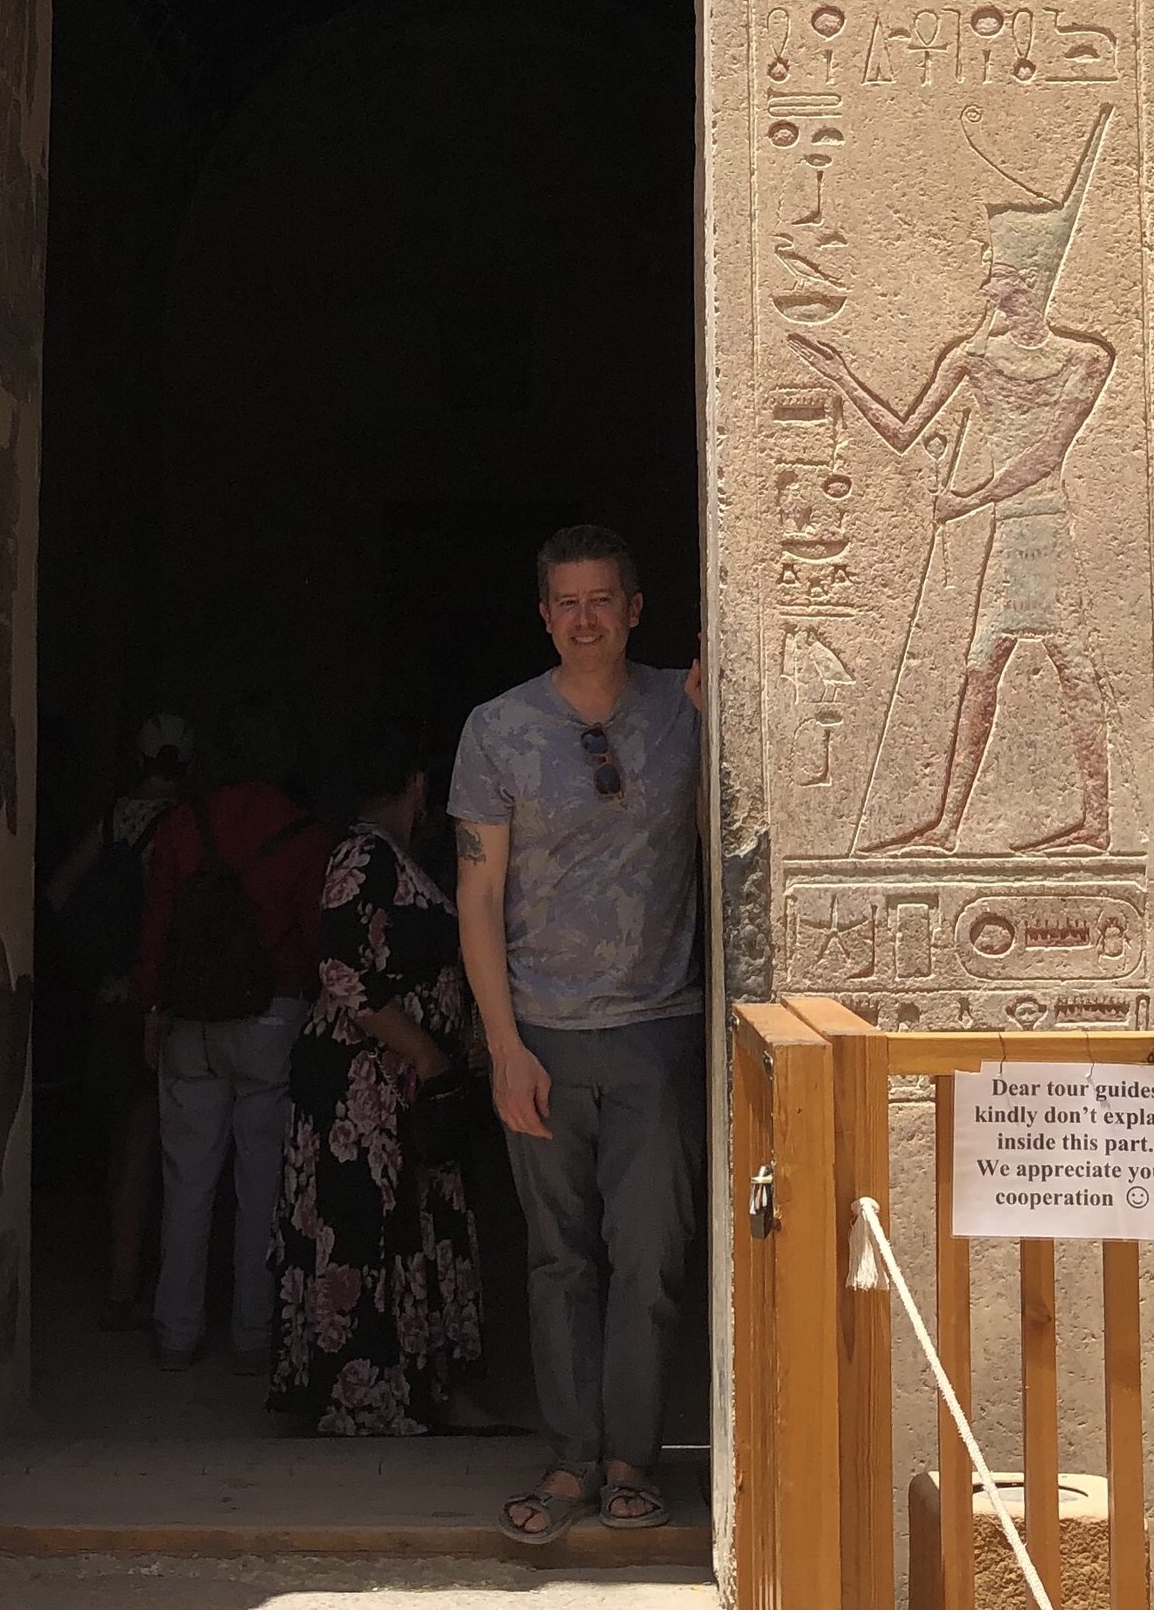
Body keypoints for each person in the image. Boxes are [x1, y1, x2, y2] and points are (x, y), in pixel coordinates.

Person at [450, 525, 704, 1547]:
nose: (586, 617)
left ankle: (630, 1460)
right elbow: (478, 895)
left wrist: (722, 715)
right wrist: (503, 1044)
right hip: (544, 1033)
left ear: (635, 608)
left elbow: (729, 841)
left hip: (657, 1031)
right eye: (568, 602)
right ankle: (567, 1454)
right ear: (544, 615)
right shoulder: (500, 728)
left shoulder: (684, 714)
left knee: (648, 1256)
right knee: (558, 1259)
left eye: (604, 598)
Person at [269, 725, 490, 1437]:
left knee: (407, 1229)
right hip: (362, 1093)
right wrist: (424, 1052)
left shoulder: (392, 858)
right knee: (368, 1230)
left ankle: (420, 1388)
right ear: (420, 786)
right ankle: (368, 1394)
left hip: (394, 1093)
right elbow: (341, 968)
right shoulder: (363, 856)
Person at [133, 702, 327, 1375]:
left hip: (191, 1021)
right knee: (262, 1184)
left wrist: (151, 1011)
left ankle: (177, 1330)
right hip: (273, 1017)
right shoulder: (302, 834)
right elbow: (314, 938)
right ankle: (254, 1330)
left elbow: (156, 927)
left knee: (186, 1182)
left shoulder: (184, 826)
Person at [43, 714, 195, 1329]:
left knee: (118, 1141)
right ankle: (126, 1281)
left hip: (107, 996)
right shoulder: (187, 824)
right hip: (157, 998)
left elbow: (56, 894)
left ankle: (119, 1269)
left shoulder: (113, 819)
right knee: (144, 1142)